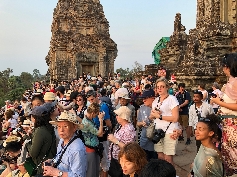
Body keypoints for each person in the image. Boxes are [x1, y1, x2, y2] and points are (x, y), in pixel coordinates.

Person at [211, 53, 237, 176]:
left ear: (227, 66)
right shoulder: (231, 81)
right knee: (228, 156)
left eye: (223, 66)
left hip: (233, 125)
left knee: (233, 158)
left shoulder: (235, 82)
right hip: (227, 125)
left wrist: (217, 102)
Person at [43, 111, 87, 177]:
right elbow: (61, 158)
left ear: (74, 127)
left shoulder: (77, 149)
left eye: (65, 126)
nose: (61, 130)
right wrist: (52, 162)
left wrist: (57, 172)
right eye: (59, 126)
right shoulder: (62, 140)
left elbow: (78, 175)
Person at [150, 78, 179, 165]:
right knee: (160, 157)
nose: (159, 88)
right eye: (158, 87)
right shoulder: (155, 101)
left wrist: (160, 116)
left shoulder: (172, 99)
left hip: (170, 131)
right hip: (158, 131)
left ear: (167, 87)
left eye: (162, 86)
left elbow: (175, 118)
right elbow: (152, 116)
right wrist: (154, 115)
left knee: (168, 159)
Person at [24, 105, 56, 176]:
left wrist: (26, 140)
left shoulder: (40, 131)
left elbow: (33, 153)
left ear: (35, 118)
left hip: (42, 168)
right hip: (48, 165)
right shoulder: (48, 127)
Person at [81, 103, 104, 177]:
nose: (97, 115)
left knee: (94, 171)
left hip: (92, 149)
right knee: (91, 173)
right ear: (93, 113)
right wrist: (101, 120)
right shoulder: (87, 123)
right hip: (90, 150)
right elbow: (100, 134)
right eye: (96, 114)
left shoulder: (87, 119)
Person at [137, 89, 158, 160]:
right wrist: (141, 123)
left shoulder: (158, 108)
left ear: (152, 98)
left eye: (145, 98)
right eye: (143, 98)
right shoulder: (142, 108)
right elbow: (138, 123)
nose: (143, 100)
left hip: (156, 142)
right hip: (144, 141)